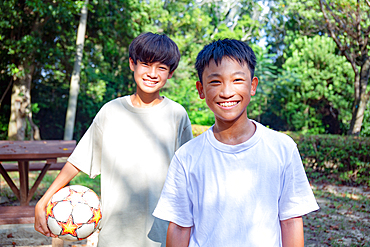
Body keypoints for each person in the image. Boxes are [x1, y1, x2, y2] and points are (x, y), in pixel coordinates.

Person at [153, 39, 319, 247]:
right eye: (215, 82)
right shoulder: (187, 157)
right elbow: (179, 226)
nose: (226, 92)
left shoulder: (282, 148)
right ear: (201, 89)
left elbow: (291, 221)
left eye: (237, 80)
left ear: (253, 85)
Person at [34, 32, 193, 246]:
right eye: (145, 64)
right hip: (115, 234)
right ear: (132, 64)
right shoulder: (111, 111)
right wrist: (43, 201)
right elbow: (78, 161)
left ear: (170, 73)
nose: (152, 73)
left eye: (162, 68)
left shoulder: (177, 114)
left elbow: (189, 175)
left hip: (162, 234)